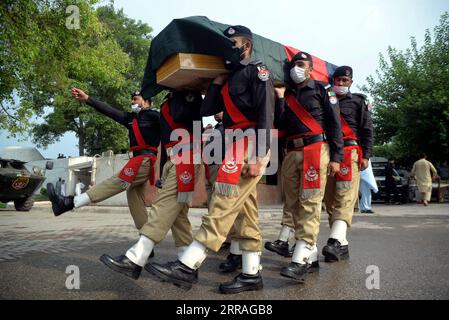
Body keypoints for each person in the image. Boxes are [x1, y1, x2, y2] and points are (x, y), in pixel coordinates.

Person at [145, 25, 275, 294]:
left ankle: (188, 264)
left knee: (223, 202)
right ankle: (252, 274)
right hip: (232, 145)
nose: (228, 48)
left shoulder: (257, 71)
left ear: (246, 46)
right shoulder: (228, 78)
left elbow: (266, 112)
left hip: (250, 144)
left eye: (233, 43)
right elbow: (207, 109)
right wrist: (216, 82)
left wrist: (260, 154)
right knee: (246, 211)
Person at [99, 90, 204, 280]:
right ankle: (187, 266)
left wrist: (176, 96)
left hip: (188, 157)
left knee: (163, 206)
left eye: (136, 99)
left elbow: (186, 117)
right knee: (179, 217)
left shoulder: (189, 94)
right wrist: (164, 170)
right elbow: (166, 142)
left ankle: (135, 258)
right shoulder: (166, 103)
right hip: (174, 160)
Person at [268, 51, 343, 282]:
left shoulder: (322, 90)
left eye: (301, 64)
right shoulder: (287, 93)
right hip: (291, 152)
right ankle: (310, 256)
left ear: (310, 69)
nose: (296, 68)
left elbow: (334, 124)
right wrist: (280, 98)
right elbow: (279, 124)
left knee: (310, 202)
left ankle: (299, 259)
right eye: (293, 64)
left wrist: (336, 157)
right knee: (293, 204)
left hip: (315, 150)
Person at [47, 89, 162, 232]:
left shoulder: (155, 116)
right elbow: (109, 111)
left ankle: (69, 203)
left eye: (136, 99)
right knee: (133, 195)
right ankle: (146, 242)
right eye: (132, 99)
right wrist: (87, 99)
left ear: (146, 102)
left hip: (145, 160)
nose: (132, 102)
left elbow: (171, 129)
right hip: (137, 159)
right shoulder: (130, 119)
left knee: (117, 181)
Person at [322, 66, 374, 262]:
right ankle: (341, 246)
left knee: (345, 196)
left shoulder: (359, 101)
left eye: (345, 80)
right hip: (328, 153)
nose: (341, 84)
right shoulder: (325, 100)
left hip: (349, 152)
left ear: (351, 82)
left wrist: (366, 155)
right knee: (330, 201)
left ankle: (334, 240)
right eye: (338, 80)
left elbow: (367, 130)